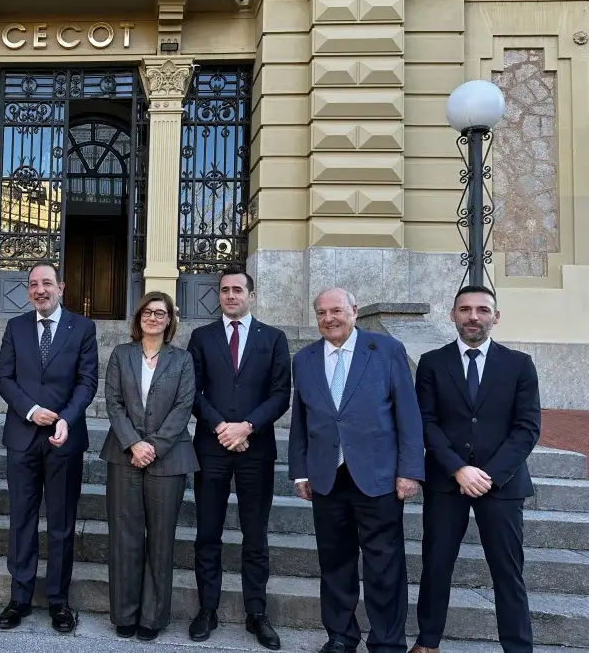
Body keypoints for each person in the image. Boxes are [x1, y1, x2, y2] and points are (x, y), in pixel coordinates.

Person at [288, 288, 424, 653]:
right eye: (321, 313)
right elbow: (301, 420)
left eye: (336, 310)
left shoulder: (386, 351)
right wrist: (300, 472)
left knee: (384, 566)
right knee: (334, 564)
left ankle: (387, 642)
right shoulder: (304, 359)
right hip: (326, 479)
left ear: (354, 311)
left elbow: (408, 416)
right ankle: (341, 637)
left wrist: (409, 470)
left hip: (378, 477)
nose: (328, 318)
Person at [410, 285, 539, 653]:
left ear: (495, 317)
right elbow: (427, 421)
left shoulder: (519, 365)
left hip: (503, 485)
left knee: (507, 572)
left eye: (482, 310)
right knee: (436, 566)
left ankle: (517, 647)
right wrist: (458, 469)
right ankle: (428, 642)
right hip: (446, 482)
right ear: (452, 315)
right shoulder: (433, 363)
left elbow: (527, 428)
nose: (473, 317)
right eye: (465, 309)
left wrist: (489, 474)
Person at [185, 267, 291, 648]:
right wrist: (222, 428)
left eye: (237, 290)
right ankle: (207, 609)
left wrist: (247, 427)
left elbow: (281, 394)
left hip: (256, 450)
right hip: (211, 449)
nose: (231, 296)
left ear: (252, 294)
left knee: (255, 536)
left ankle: (256, 613)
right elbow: (193, 391)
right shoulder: (201, 337)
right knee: (207, 533)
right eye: (225, 290)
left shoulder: (274, 338)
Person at [0, 261, 98, 633]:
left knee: (61, 523)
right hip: (22, 437)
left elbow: (87, 382)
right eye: (34, 284)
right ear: (28, 291)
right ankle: (19, 598)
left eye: (47, 283)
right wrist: (32, 410)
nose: (40, 289)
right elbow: (3, 378)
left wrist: (64, 418)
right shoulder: (15, 326)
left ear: (61, 287)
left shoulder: (83, 327)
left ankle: (58, 600)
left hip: (64, 438)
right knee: (21, 520)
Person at [101, 291, 197, 642]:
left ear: (170, 320)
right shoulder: (121, 355)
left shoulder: (182, 360)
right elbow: (112, 402)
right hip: (124, 454)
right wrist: (133, 443)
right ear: (138, 317)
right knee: (124, 537)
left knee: (160, 540)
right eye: (148, 311)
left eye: (161, 313)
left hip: (168, 457)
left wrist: (153, 446)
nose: (154, 317)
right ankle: (124, 614)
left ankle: (152, 618)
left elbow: (184, 406)